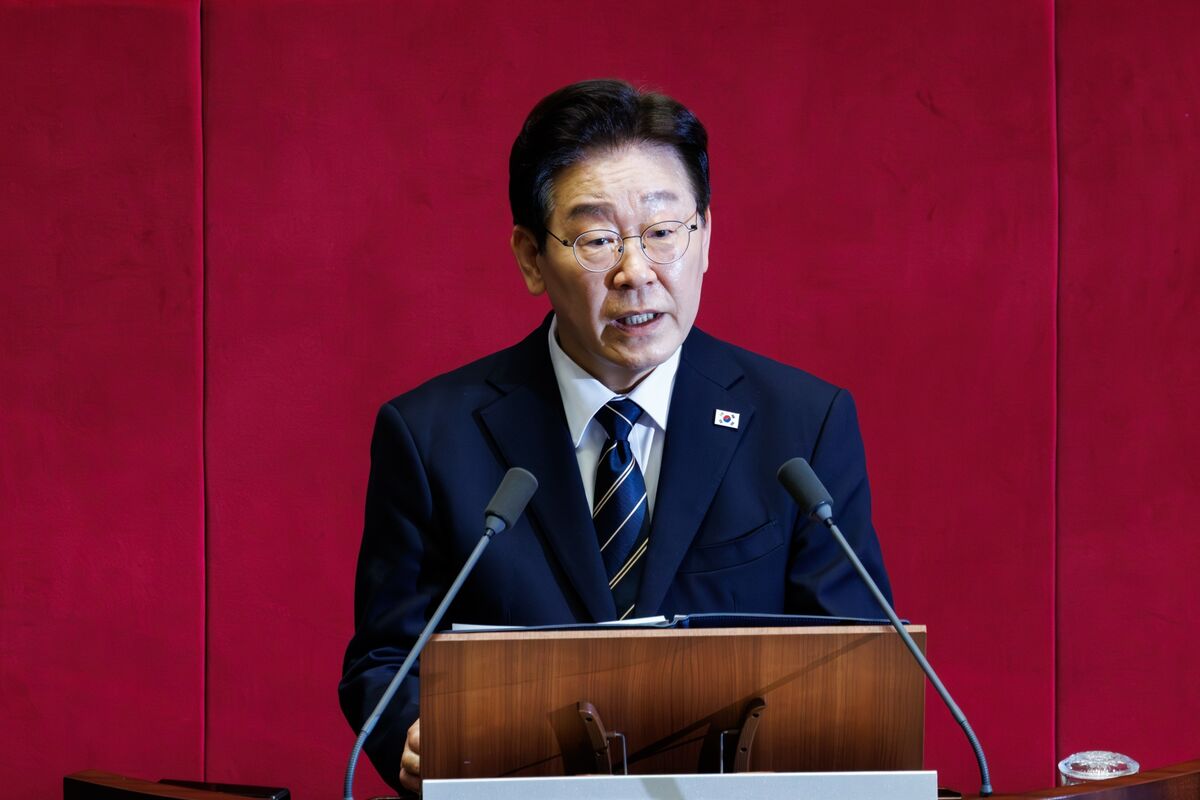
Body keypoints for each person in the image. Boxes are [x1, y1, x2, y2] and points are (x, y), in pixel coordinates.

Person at [339, 79, 892, 795]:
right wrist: (411, 731)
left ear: (705, 238)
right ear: (531, 257)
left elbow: (856, 661)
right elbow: (386, 660)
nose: (637, 273)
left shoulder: (802, 425)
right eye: (598, 240)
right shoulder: (430, 436)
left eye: (663, 233)